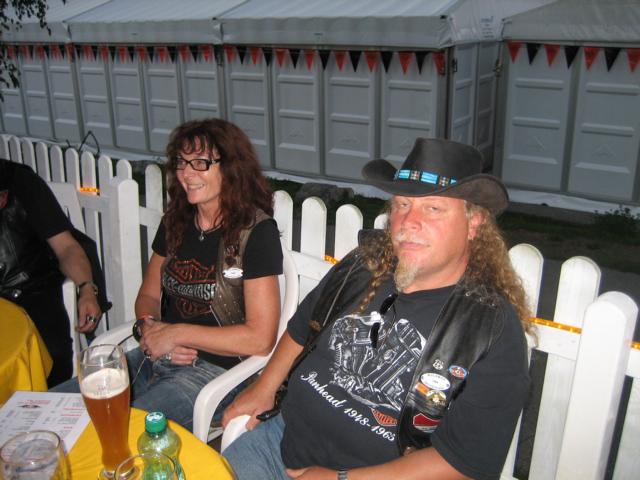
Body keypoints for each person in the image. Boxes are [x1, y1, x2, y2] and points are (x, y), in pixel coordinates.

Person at [222, 138, 532, 480]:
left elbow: (463, 463)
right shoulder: (364, 266)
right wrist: (264, 387)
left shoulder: (491, 331)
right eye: (402, 205)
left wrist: (339, 479)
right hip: (278, 444)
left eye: (433, 209)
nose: (408, 221)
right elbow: (301, 327)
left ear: (473, 224)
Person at [54, 118, 283, 431]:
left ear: (231, 168)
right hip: (157, 356)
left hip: (216, 374)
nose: (186, 173)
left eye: (200, 163)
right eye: (181, 162)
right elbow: (148, 295)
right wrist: (147, 329)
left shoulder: (255, 232)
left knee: (117, 430)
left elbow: (260, 338)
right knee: (56, 409)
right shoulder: (177, 221)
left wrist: (176, 334)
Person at [0, 158, 102, 387]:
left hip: (30, 292)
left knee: (52, 357)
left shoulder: (21, 181)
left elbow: (66, 247)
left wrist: (87, 289)